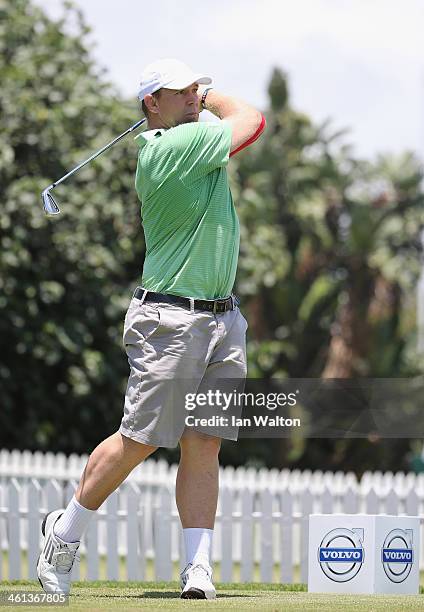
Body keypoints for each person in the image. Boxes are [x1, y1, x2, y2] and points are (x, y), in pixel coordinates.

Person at [37, 58, 266, 600]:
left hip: (221, 317)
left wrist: (195, 104)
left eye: (195, 89)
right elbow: (252, 119)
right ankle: (63, 533)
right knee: (139, 440)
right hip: (171, 320)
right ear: (151, 106)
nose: (192, 97)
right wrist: (211, 101)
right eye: (179, 92)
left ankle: (197, 568)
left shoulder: (192, 139)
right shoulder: (167, 151)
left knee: (204, 443)